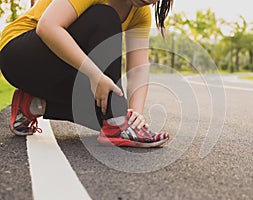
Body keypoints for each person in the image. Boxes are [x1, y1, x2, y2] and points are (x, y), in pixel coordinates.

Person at [0, 0, 173, 147]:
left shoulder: (140, 12)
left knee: (107, 115)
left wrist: (135, 117)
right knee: (105, 16)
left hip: (58, 68)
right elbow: (47, 27)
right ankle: (116, 122)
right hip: (18, 55)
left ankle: (34, 105)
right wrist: (95, 75)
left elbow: (138, 69)